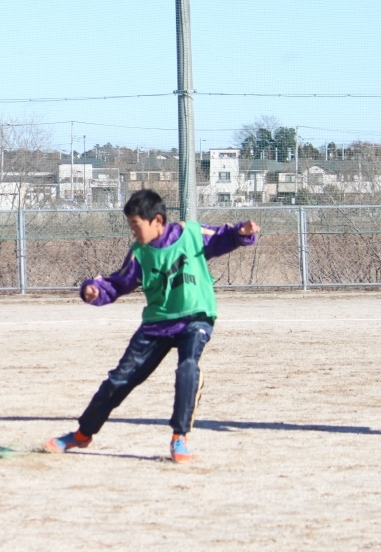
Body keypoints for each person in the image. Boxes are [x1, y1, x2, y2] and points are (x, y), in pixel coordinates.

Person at [44, 189, 260, 463]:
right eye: (130, 226)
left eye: (136, 225)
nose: (133, 232)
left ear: (157, 220)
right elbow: (119, 282)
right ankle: (82, 434)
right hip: (157, 324)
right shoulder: (140, 253)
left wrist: (242, 232)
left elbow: (223, 236)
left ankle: (179, 437)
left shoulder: (191, 234)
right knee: (119, 379)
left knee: (188, 368)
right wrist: (95, 290)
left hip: (195, 317)